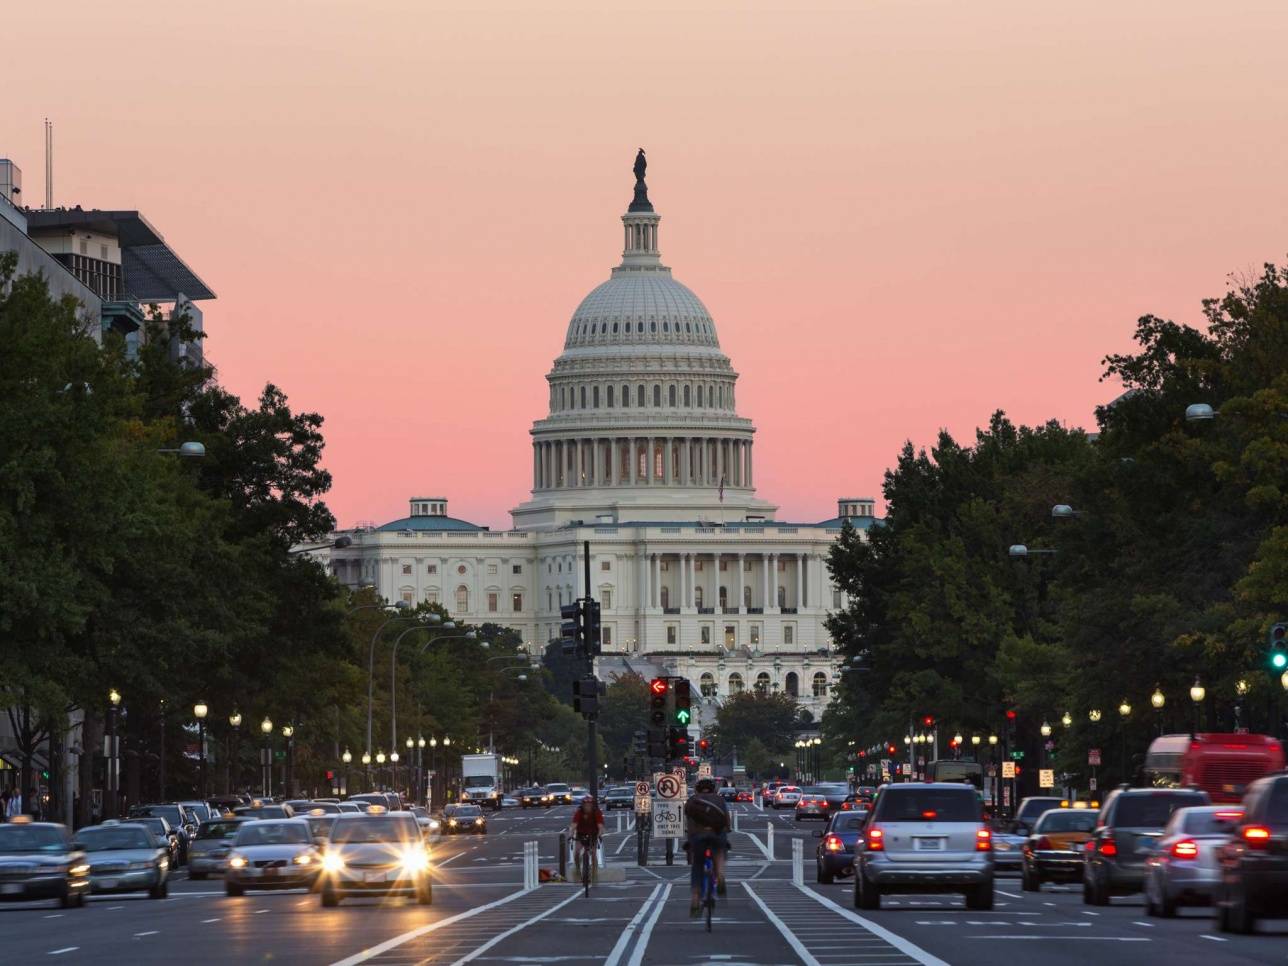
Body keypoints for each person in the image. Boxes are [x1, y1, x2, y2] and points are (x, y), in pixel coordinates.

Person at [684, 777, 729, 916]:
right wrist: (727, 829)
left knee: (697, 865)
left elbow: (688, 822)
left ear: (696, 789)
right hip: (716, 834)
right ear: (713, 789)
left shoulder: (692, 801)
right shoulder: (719, 800)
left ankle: (695, 901)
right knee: (720, 851)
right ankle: (720, 876)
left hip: (697, 836)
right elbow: (726, 819)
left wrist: (689, 838)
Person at [569, 795, 604, 882]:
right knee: (577, 852)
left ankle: (594, 873)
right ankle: (577, 869)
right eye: (585, 805)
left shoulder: (596, 812)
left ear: (592, 805)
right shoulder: (579, 812)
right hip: (581, 834)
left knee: (593, 853)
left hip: (593, 834)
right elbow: (574, 825)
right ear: (583, 805)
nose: (587, 806)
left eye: (589, 804)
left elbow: (600, 826)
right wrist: (571, 834)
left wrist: (599, 835)